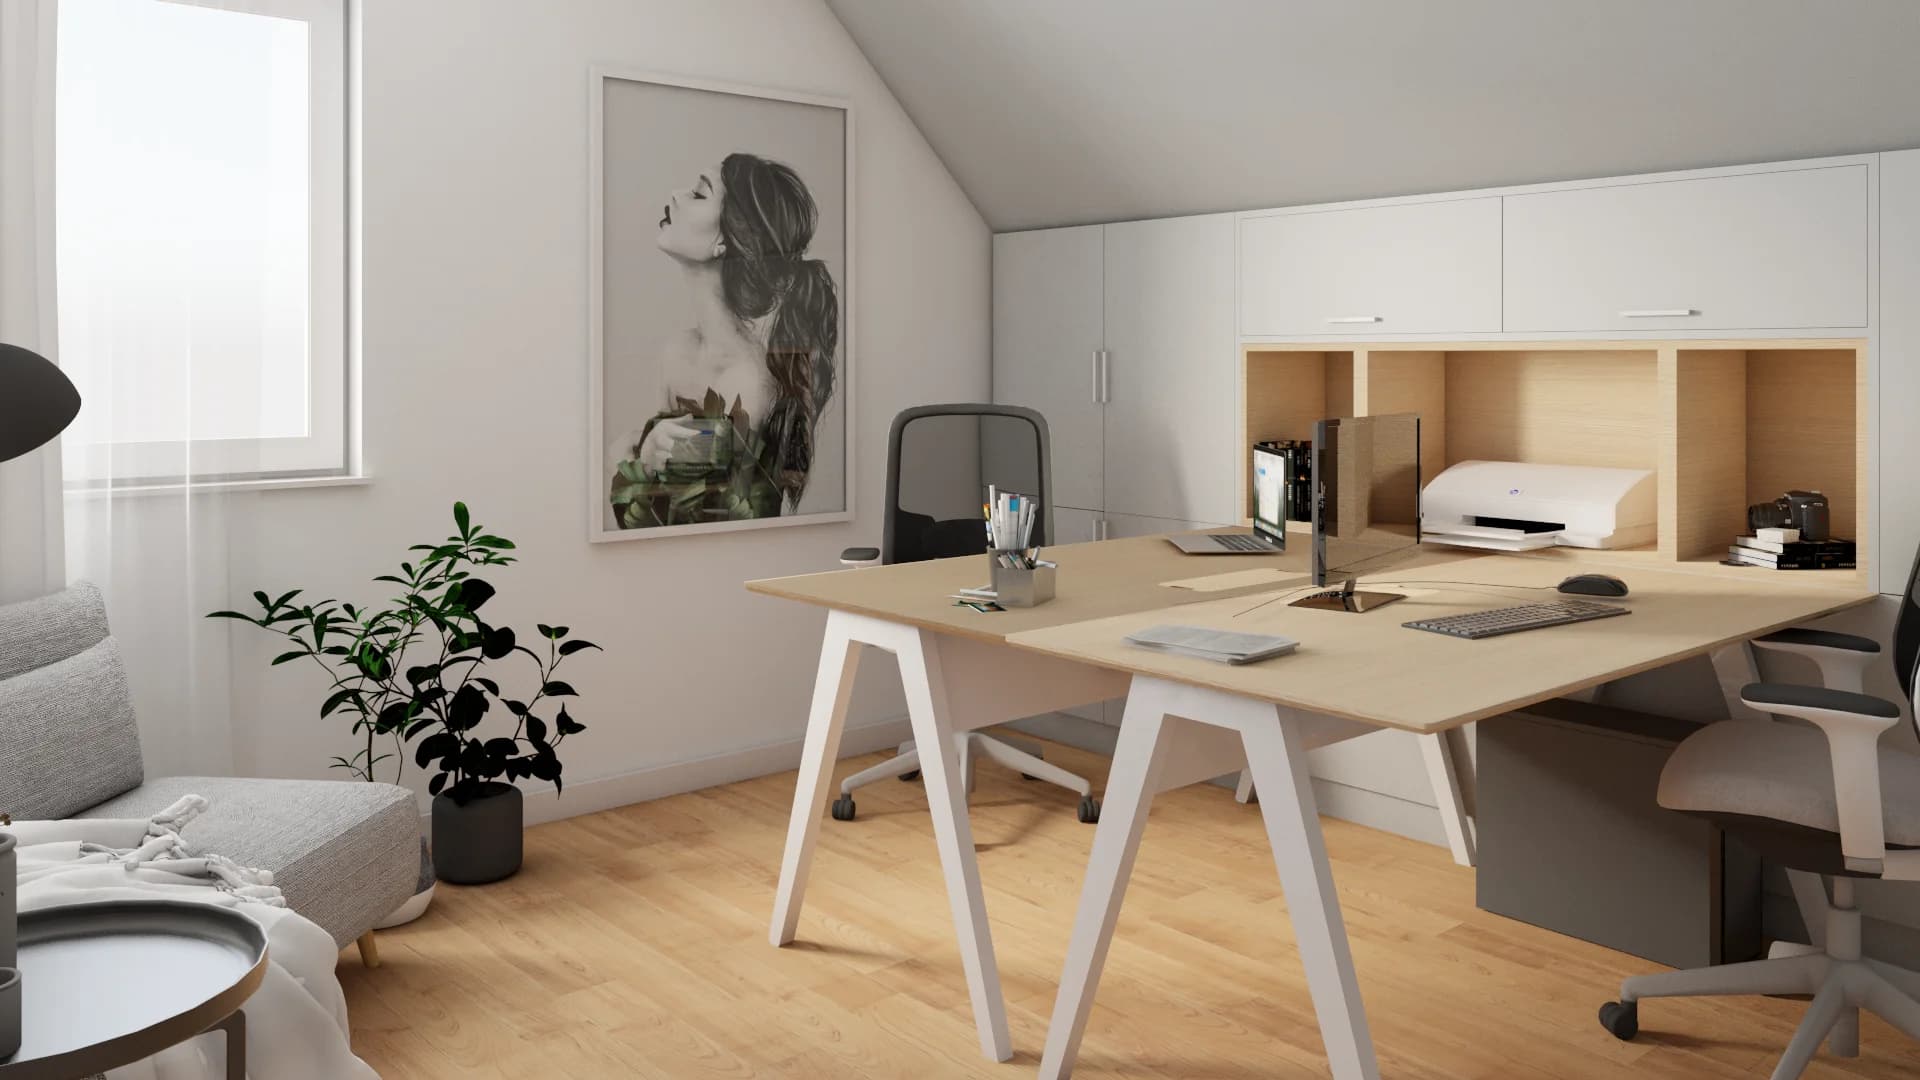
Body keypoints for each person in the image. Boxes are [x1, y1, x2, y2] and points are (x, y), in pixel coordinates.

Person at [609, 152, 839, 529]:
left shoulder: (748, 382)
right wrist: (640, 456)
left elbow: (687, 517)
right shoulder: (678, 352)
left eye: (700, 194)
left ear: (725, 241)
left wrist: (631, 456)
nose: (677, 195)